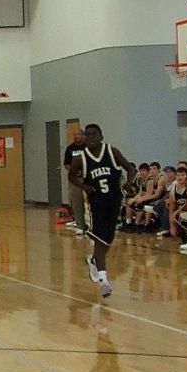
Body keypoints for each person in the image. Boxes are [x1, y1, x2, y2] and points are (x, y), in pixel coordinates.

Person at [69, 124, 136, 297]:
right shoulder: (81, 159)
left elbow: (130, 168)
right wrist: (83, 186)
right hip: (95, 203)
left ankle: (93, 260)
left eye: (94, 134)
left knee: (108, 238)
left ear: (101, 136)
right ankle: (104, 280)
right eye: (88, 135)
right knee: (99, 239)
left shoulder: (112, 152)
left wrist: (129, 183)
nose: (91, 138)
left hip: (114, 201)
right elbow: (71, 176)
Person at [61, 128, 88, 236]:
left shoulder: (88, 147)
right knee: (77, 202)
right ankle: (80, 225)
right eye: (75, 135)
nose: (76, 137)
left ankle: (92, 224)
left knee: (90, 201)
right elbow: (66, 164)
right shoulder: (70, 149)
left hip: (88, 178)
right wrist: (74, 170)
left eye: (78, 135)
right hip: (76, 179)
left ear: (83, 135)